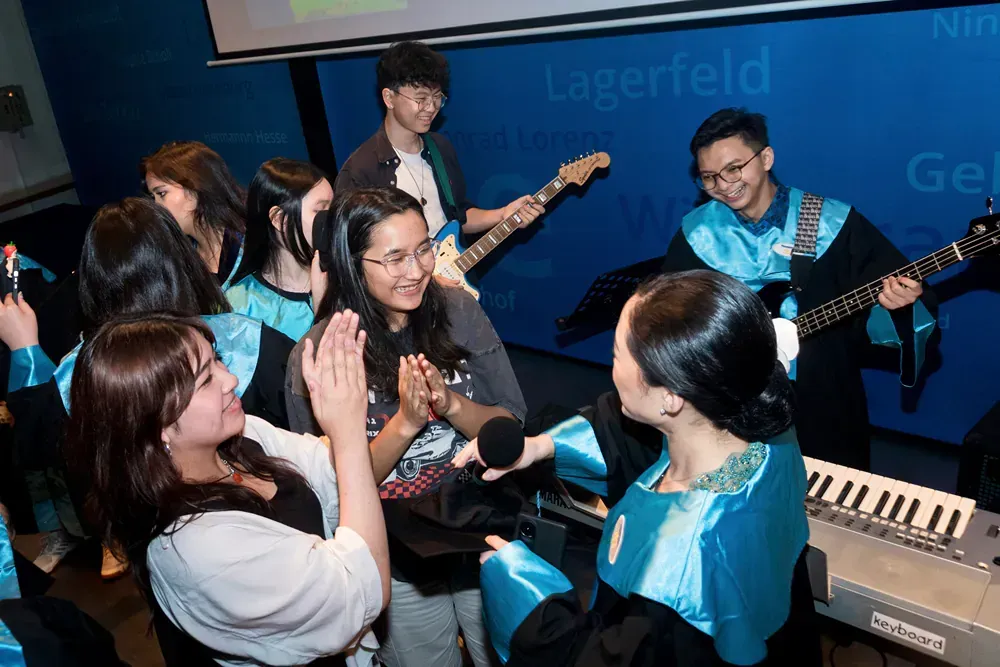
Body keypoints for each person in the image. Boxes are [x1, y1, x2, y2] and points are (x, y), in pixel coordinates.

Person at [453, 270, 820, 666]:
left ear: (670, 396)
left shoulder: (682, 562)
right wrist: (538, 447)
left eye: (616, 354)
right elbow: (622, 433)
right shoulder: (758, 416)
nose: (610, 366)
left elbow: (616, 657)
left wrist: (526, 595)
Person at [286, 187, 527, 667]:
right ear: (353, 264)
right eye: (394, 258)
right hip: (397, 557)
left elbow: (511, 428)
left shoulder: (458, 310)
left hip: (478, 527)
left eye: (423, 249)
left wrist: (451, 404)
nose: (416, 270)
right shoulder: (321, 355)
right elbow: (333, 488)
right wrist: (406, 423)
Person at [65, 311, 389, 666]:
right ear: (156, 424)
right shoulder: (194, 546)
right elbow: (363, 589)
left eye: (217, 359)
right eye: (205, 381)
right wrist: (350, 436)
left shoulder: (241, 436)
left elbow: (334, 477)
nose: (231, 379)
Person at [0, 198, 296, 578]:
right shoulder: (246, 340)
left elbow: (39, 450)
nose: (226, 380)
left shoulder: (84, 373)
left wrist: (26, 353)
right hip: (273, 533)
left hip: (162, 553)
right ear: (180, 262)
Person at [661, 108, 936, 471]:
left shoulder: (827, 221)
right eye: (709, 177)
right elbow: (670, 317)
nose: (724, 185)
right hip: (729, 402)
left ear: (766, 158)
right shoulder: (698, 234)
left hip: (821, 399)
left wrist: (897, 306)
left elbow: (904, 296)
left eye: (733, 169)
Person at [335, 41, 544, 241]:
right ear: (389, 98)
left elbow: (457, 217)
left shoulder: (440, 148)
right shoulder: (359, 172)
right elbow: (351, 251)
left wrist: (502, 214)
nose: (432, 107)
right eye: (421, 99)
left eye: (437, 97)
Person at [226, 158, 332, 342]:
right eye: (320, 211)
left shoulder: (347, 276)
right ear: (279, 219)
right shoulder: (241, 305)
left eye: (333, 208)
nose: (332, 220)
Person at [141, 140, 246, 288]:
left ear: (194, 190)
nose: (155, 205)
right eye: (153, 197)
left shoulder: (251, 253)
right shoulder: (179, 255)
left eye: (162, 193)